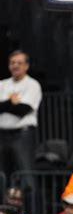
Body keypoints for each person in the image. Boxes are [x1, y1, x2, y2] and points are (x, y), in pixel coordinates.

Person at [0, 50, 42, 181]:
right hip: (2, 135)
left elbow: (23, 110)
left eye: (19, 63)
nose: (15, 66)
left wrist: (5, 105)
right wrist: (11, 102)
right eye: (12, 62)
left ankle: (31, 201)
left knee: (26, 173)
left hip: (22, 135)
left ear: (26, 66)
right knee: (1, 175)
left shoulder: (32, 85)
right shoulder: (2, 84)